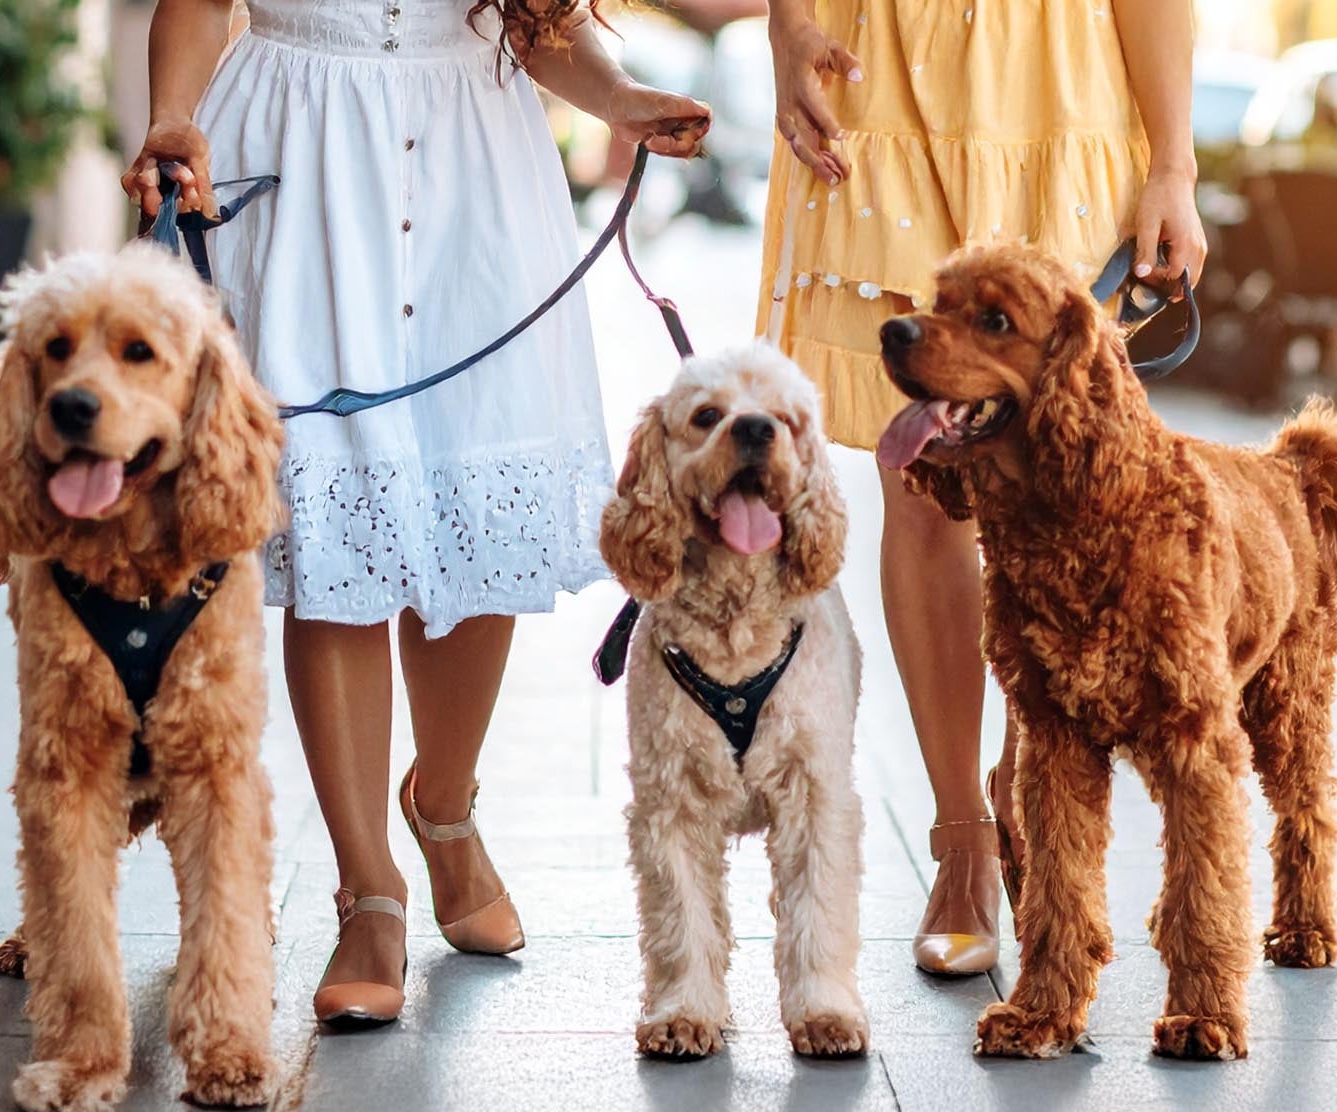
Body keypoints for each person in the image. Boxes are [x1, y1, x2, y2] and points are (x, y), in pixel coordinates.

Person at [123, 0, 708, 1024]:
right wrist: (174, 115)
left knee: (476, 519)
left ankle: (444, 807)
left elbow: (542, 23)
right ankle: (369, 892)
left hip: (473, 167)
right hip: (299, 153)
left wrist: (621, 101)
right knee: (336, 519)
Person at [758, 0, 1208, 975]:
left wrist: (1173, 160)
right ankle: (963, 838)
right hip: (877, 80)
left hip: (1059, 87)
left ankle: (1028, 799)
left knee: (1063, 474)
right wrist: (786, 26)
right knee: (922, 473)